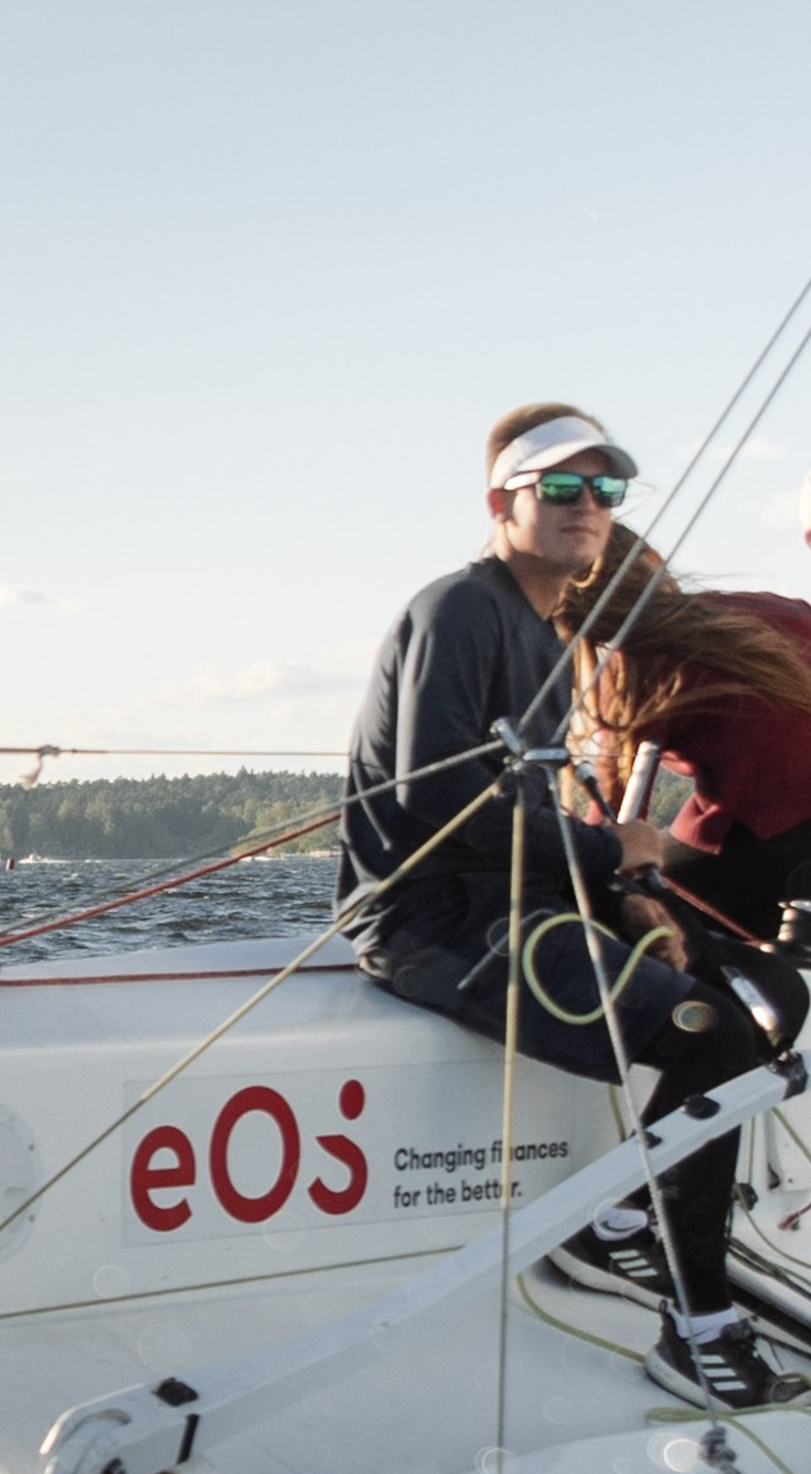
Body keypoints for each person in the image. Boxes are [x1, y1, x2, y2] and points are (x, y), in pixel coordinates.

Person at [339, 403, 800, 1408]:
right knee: (707, 1035)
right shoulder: (459, 609)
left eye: (603, 490)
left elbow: (522, 819)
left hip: (510, 899)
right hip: (429, 923)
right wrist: (607, 851)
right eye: (557, 488)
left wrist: (628, 895)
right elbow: (437, 806)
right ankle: (694, 1318)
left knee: (751, 999)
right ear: (501, 502)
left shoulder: (546, 636)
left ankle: (630, 1223)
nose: (583, 507)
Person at [553, 526, 811, 939]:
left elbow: (613, 816)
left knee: (626, 902)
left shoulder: (630, 671)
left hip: (771, 837)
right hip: (784, 827)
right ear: (653, 559)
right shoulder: (765, 607)